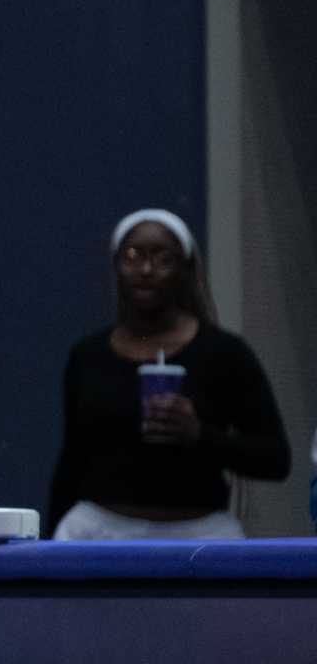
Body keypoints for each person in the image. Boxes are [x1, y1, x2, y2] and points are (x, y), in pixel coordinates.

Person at [47, 209, 289, 539]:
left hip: (200, 535)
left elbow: (275, 460)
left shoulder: (224, 353)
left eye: (163, 258)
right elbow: (71, 461)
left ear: (186, 270)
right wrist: (44, 552)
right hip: (98, 532)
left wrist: (200, 434)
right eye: (133, 256)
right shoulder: (88, 355)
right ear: (116, 266)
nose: (146, 270)